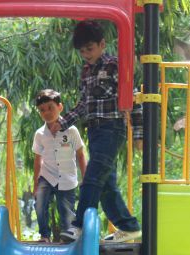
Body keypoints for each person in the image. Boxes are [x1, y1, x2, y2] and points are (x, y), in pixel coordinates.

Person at [50, 20, 142, 243]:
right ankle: (129, 227)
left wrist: (139, 133)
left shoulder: (114, 65)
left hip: (112, 129)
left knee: (91, 178)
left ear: (102, 44)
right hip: (95, 131)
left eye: (89, 49)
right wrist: (63, 122)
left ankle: (79, 226)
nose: (86, 55)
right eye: (82, 51)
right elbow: (84, 104)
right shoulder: (86, 71)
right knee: (106, 185)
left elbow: (133, 99)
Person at [32, 89, 87, 242]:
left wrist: (86, 179)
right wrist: (35, 184)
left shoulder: (71, 131)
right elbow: (37, 159)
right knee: (39, 203)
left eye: (50, 107)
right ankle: (44, 235)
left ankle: (67, 237)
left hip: (67, 178)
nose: (47, 112)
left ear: (60, 107)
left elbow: (80, 155)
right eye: (42, 110)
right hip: (47, 176)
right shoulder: (40, 134)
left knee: (67, 211)